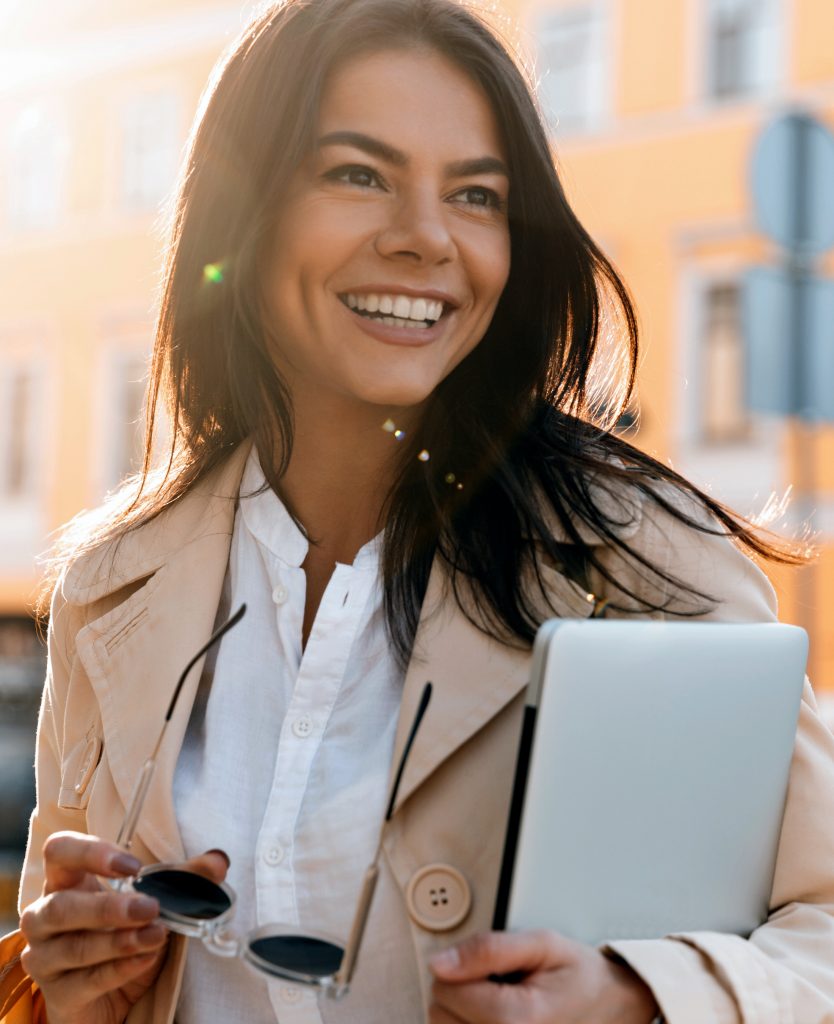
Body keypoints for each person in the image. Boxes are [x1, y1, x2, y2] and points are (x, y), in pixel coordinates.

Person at [6, 0, 834, 1021]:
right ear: (244, 211)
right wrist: (73, 974)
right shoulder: (112, 589)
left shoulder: (646, 556)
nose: (426, 238)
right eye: (358, 174)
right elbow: (67, 936)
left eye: (478, 195)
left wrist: (637, 997)